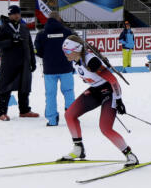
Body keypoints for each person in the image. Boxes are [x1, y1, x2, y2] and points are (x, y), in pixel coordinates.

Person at [58, 35, 137, 165]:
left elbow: (113, 80)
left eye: (67, 51)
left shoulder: (91, 61)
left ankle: (130, 155)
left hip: (109, 91)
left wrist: (118, 100)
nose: (65, 54)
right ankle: (78, 149)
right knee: (69, 114)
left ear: (76, 50)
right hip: (95, 90)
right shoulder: (75, 59)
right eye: (63, 51)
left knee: (105, 128)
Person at [0, 5, 39, 121]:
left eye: (18, 13)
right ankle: (1, 112)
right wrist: (10, 41)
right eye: (13, 14)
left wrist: (33, 61)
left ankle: (24, 110)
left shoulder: (24, 27)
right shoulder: (3, 27)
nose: (16, 15)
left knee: (25, 87)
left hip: (24, 62)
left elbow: (30, 45)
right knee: (5, 87)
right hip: (9, 63)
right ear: (9, 15)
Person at [34, 11, 76, 127]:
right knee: (68, 92)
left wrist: (47, 56)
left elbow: (37, 50)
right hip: (66, 67)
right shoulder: (67, 32)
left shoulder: (41, 34)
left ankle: (52, 120)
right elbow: (75, 47)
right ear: (59, 19)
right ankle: (71, 116)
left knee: (50, 94)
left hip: (49, 69)